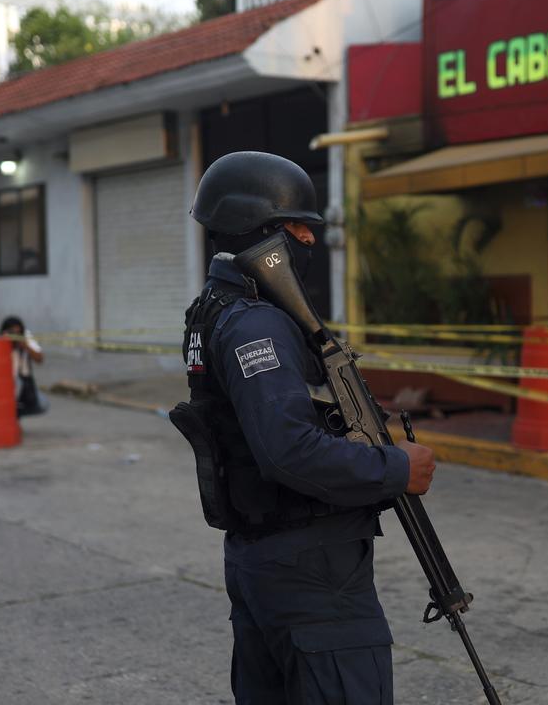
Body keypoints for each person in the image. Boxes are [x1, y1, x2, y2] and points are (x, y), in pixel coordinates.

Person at [183, 151, 436, 704]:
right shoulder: (258, 324)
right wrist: (396, 468)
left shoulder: (213, 310)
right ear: (261, 230)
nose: (308, 239)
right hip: (308, 570)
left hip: (265, 556)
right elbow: (287, 450)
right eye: (296, 225)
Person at [0, 316, 47, 417]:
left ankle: (16, 415)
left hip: (24, 381)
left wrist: (26, 346)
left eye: (18, 332)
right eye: (12, 332)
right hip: (4, 381)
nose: (15, 335)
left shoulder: (26, 337)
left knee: (43, 404)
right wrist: (4, 343)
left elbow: (40, 359)